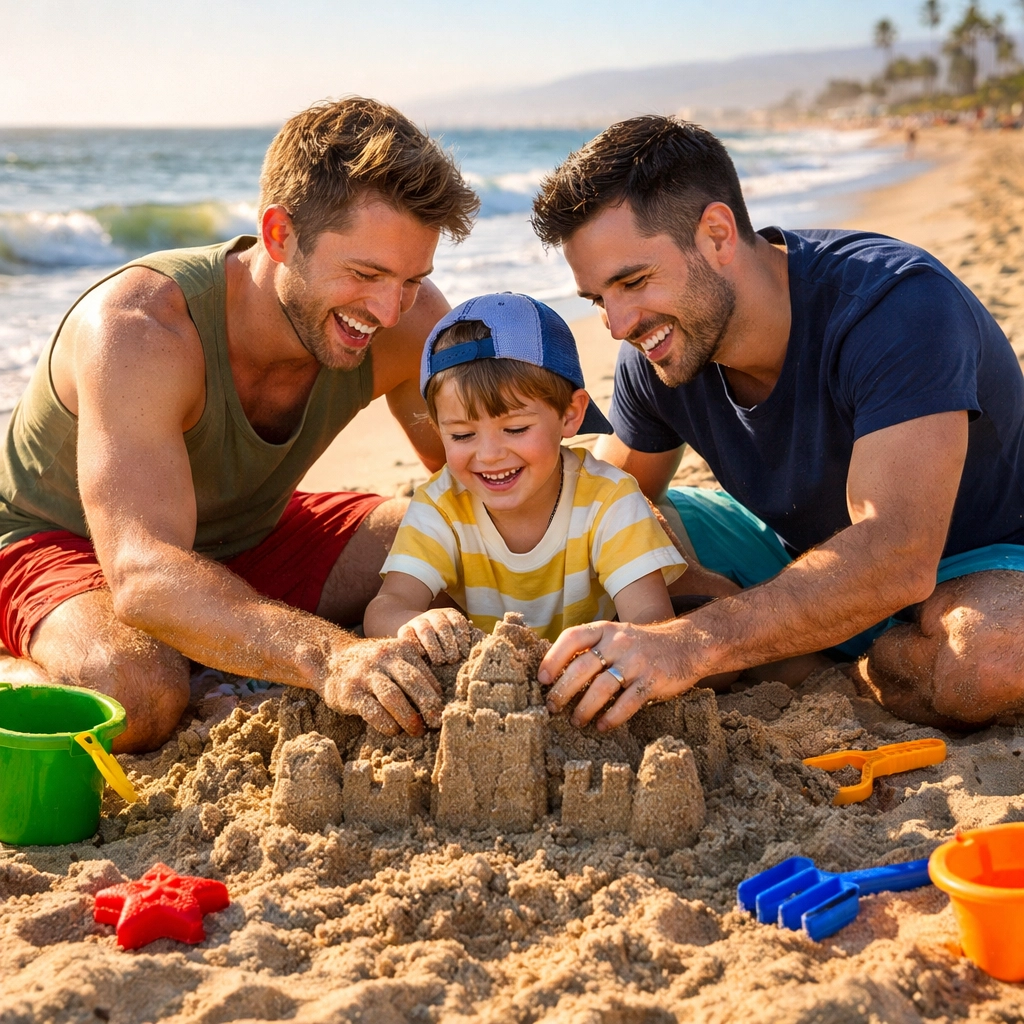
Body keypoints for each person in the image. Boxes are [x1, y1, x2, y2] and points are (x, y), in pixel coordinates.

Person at [0, 97, 481, 751]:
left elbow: (491, 478)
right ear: (280, 235)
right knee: (138, 692)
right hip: (64, 546)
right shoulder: (142, 329)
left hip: (247, 536)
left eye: (412, 279)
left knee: (459, 544)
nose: (391, 311)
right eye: (365, 274)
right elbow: (142, 572)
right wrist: (329, 657)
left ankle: (220, 641)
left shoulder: (407, 317)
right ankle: (19, 666)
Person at [529, 115, 1024, 733]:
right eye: (599, 298)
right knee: (614, 528)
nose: (619, 323)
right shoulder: (655, 352)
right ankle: (788, 641)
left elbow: (897, 554)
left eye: (633, 281)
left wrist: (690, 641)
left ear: (716, 234)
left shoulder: (895, 305)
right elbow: (596, 500)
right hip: (785, 551)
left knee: (994, 658)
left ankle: (826, 665)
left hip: (975, 560)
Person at [363, 292, 686, 658]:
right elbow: (386, 606)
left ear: (569, 414)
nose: (489, 455)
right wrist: (409, 623)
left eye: (515, 429)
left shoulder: (608, 499)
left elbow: (651, 619)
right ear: (438, 428)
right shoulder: (441, 506)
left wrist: (620, 648)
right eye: (462, 435)